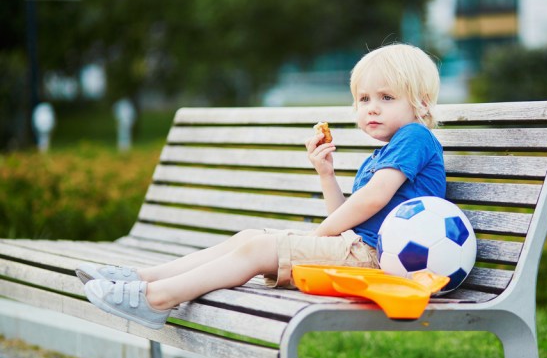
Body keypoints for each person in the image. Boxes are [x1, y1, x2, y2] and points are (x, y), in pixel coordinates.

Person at [77, 43, 446, 330]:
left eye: (386, 98)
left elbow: (372, 199)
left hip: (377, 259)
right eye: (364, 99)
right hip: (359, 249)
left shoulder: (414, 135)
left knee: (256, 249)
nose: (372, 109)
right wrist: (325, 174)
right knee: (248, 238)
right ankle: (142, 277)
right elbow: (347, 217)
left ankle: (157, 300)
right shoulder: (382, 155)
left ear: (421, 103)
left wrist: (324, 234)